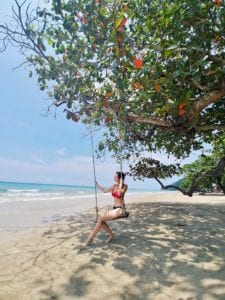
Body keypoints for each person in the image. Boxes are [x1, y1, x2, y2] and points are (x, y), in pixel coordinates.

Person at [84, 171, 128, 246]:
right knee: (100, 219)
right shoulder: (114, 186)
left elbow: (120, 193)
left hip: (120, 210)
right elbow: (104, 190)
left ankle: (89, 239)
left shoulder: (125, 186)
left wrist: (120, 183)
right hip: (115, 209)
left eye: (115, 176)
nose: (114, 177)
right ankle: (111, 235)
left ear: (119, 178)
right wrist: (97, 185)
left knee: (101, 218)